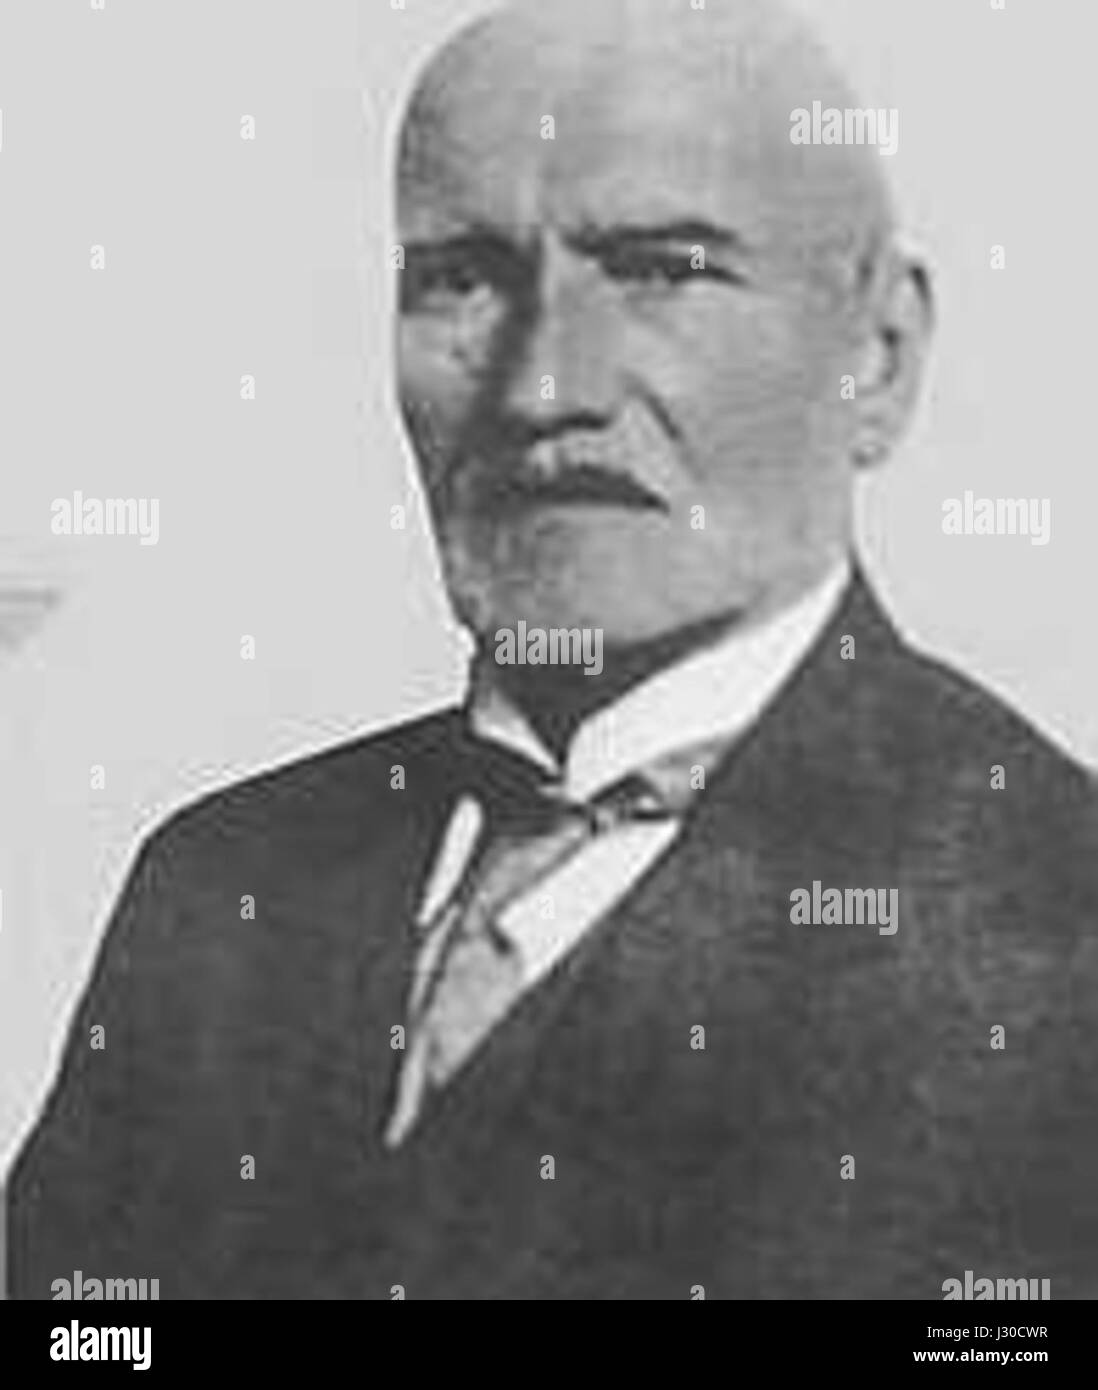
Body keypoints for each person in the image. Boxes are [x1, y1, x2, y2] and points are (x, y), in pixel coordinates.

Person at [8, 0, 1098, 1299]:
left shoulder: (1056, 918)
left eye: (662, 269)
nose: (541, 387)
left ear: (879, 355)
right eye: (462, 278)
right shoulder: (226, 881)